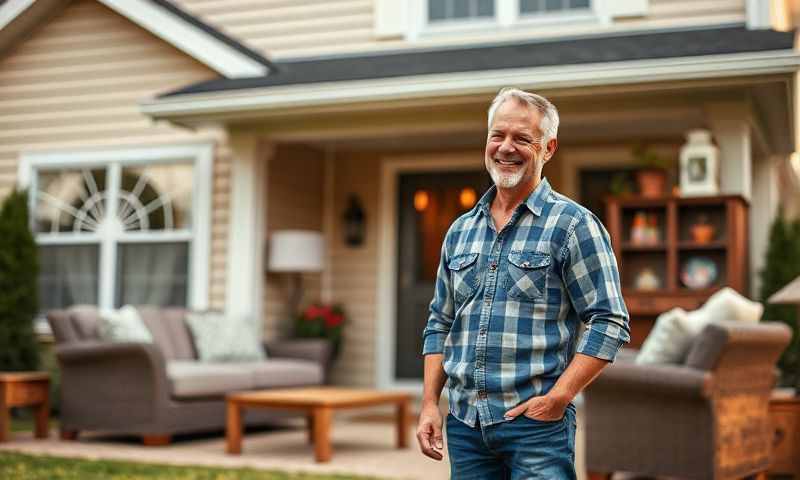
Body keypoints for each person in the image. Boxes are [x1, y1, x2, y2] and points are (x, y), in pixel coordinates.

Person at [416, 87, 631, 479]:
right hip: (466, 426)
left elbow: (609, 321)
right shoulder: (460, 231)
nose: (505, 147)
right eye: (497, 135)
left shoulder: (573, 225)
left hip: (537, 429)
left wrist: (559, 398)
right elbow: (439, 323)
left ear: (548, 148)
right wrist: (431, 402)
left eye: (522, 139)